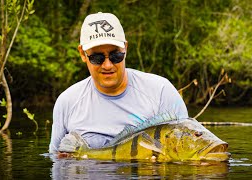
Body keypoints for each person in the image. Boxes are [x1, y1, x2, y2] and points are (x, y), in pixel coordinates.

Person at [49, 12, 188, 153]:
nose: (107, 65)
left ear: (125, 49)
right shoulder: (67, 102)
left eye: (116, 56)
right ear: (82, 54)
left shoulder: (161, 92)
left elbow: (186, 147)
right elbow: (56, 160)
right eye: (97, 57)